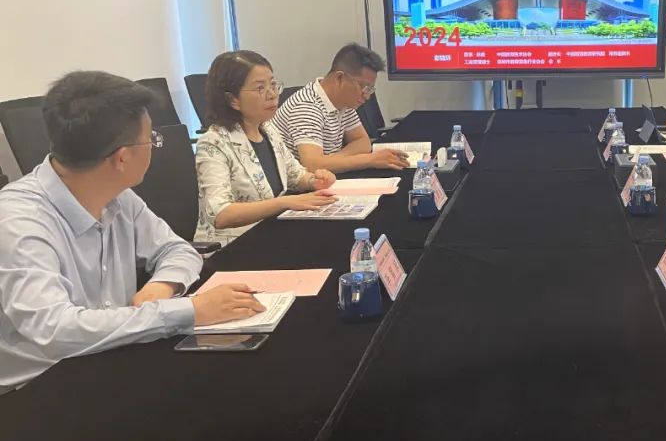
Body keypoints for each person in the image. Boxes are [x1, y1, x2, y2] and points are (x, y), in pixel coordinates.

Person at [0, 71, 266, 392]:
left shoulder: (118, 196)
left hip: (109, 360)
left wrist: (162, 286)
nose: (154, 146)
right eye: (151, 138)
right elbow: (55, 330)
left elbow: (177, 249)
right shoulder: (18, 221)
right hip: (36, 390)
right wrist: (187, 311)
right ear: (123, 158)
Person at [195, 50, 340, 248]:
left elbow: (295, 175)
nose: (272, 94)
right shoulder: (213, 143)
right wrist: (284, 203)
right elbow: (220, 214)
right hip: (232, 247)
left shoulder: (268, 130)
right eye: (260, 88)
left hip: (271, 235)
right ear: (232, 100)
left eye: (273, 85)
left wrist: (315, 180)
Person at [269, 43, 408, 173]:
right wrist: (370, 160)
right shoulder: (306, 106)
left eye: (370, 89)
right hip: (297, 186)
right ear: (339, 78)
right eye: (363, 87)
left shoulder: (344, 102)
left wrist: (331, 160)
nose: (367, 96)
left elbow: (362, 142)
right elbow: (312, 165)